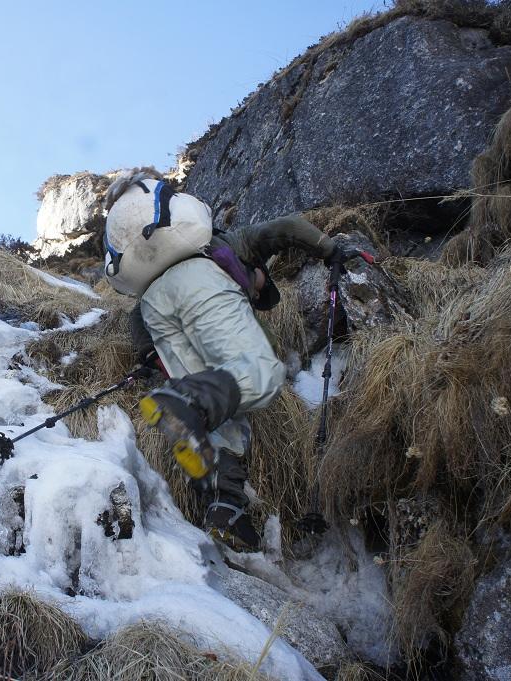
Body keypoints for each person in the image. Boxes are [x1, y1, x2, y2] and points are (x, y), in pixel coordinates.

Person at [103, 168, 344, 552]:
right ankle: (190, 404)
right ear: (257, 273)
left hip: (154, 306)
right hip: (199, 283)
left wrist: (149, 355)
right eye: (262, 284)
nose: (259, 289)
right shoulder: (229, 245)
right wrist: (331, 249)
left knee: (225, 419)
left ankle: (226, 511)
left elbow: (138, 322)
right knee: (261, 374)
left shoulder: (155, 270)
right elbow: (288, 227)